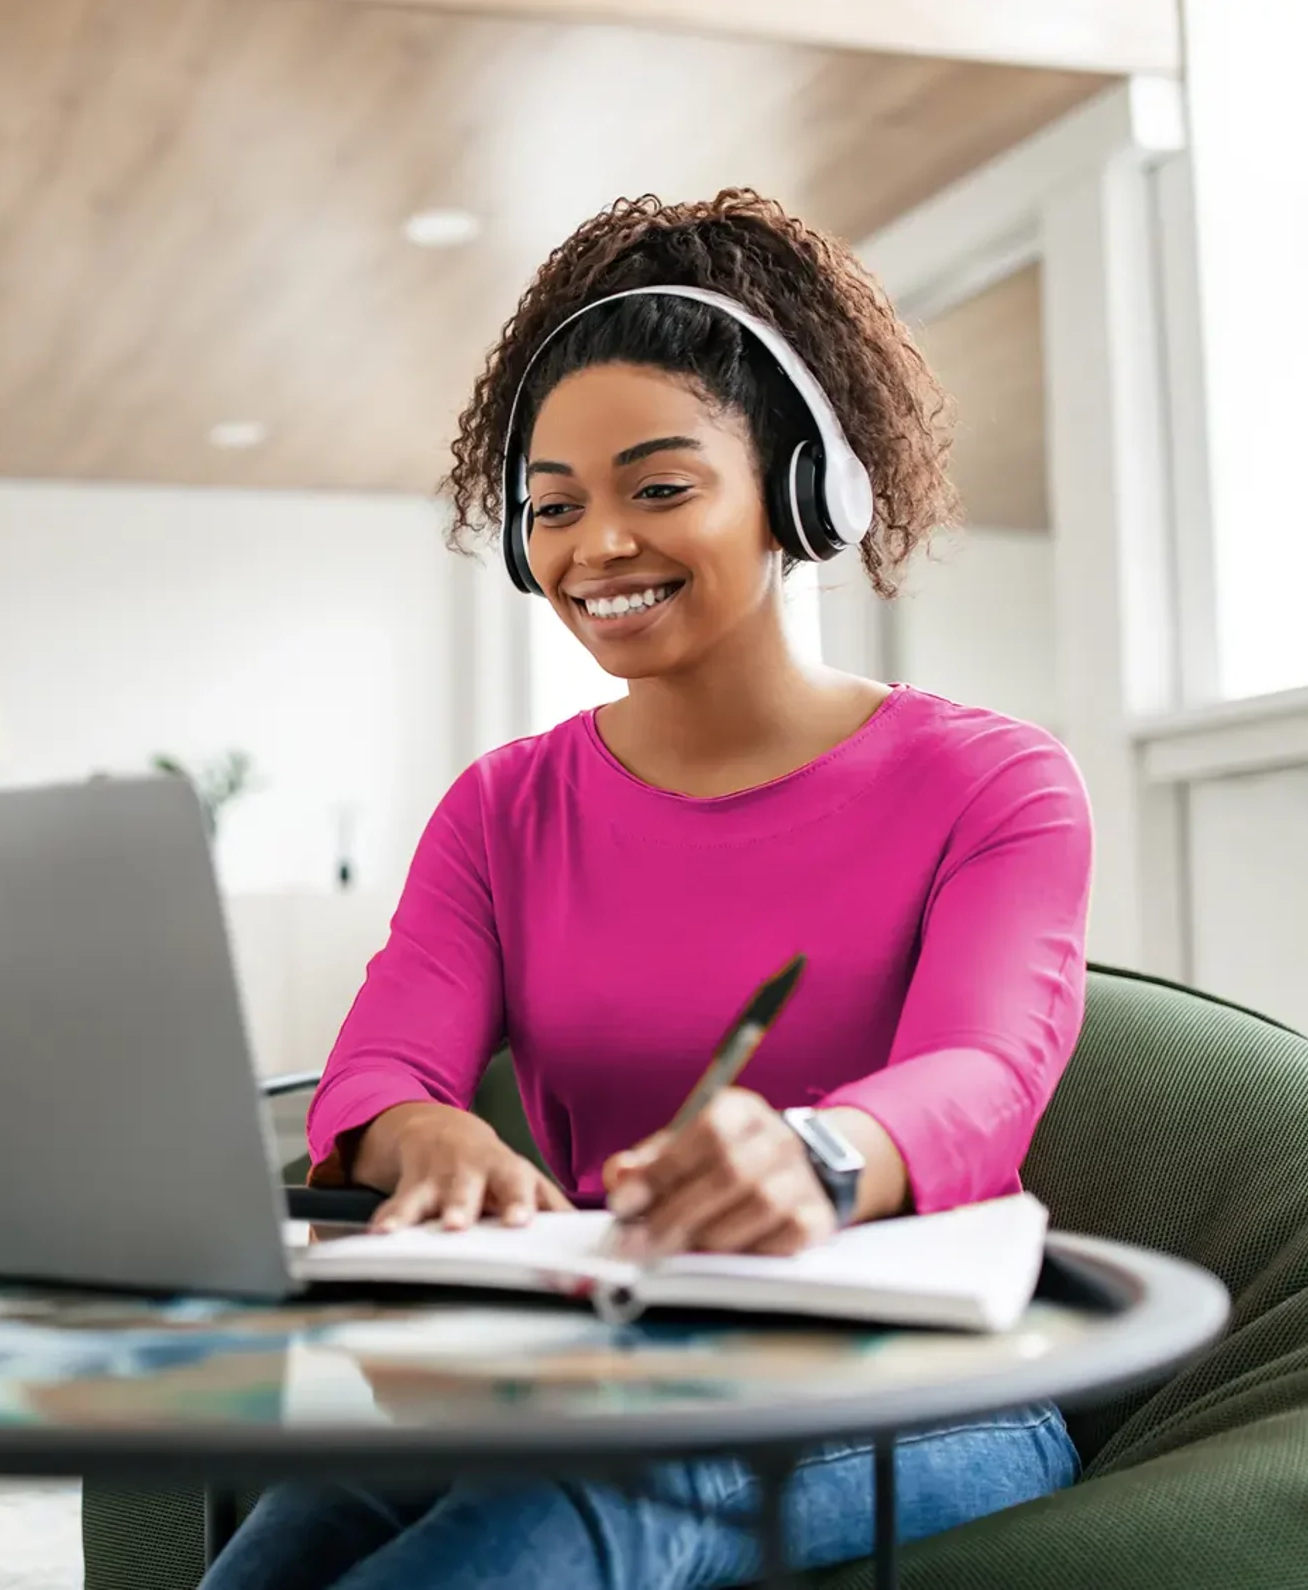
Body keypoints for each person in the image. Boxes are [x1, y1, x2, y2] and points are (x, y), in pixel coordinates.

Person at [199, 188, 1091, 1590]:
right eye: (553, 508)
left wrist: (818, 1155)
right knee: (297, 1532)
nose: (596, 546)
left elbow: (987, 1071)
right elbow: (378, 1065)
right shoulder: (501, 810)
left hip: (930, 1382)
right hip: (602, 1359)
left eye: (659, 487)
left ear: (804, 491)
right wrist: (419, 1135)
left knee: (561, 1508)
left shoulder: (995, 782)